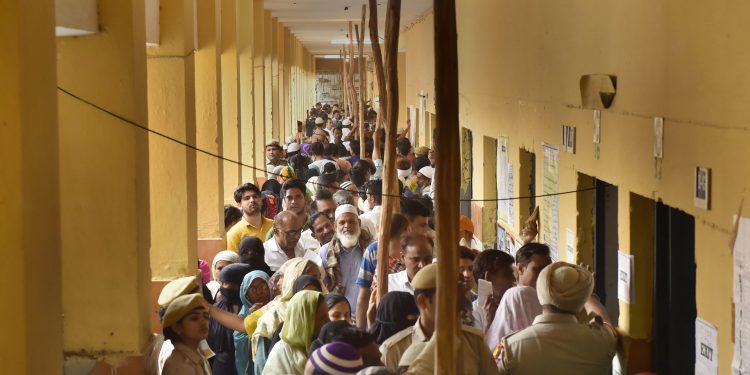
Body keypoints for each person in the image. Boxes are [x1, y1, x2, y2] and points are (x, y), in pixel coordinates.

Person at [496, 262, 619, 374]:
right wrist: (589, 296)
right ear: (582, 300)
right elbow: (605, 322)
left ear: (540, 292)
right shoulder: (602, 340)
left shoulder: (512, 347)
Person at [401, 265, 500, 375]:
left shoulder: (474, 343)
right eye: (448, 296)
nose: (456, 301)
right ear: (423, 301)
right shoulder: (397, 349)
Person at [252, 259, 322, 374]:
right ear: (295, 279)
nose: (318, 282)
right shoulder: (274, 315)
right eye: (313, 277)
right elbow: (263, 362)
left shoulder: (322, 309)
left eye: (319, 277)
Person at [485, 243, 551, 350]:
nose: (544, 275)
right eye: (538, 270)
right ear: (520, 268)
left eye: (548, 270)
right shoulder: (515, 295)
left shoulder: (550, 298)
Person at [354, 213, 410, 329]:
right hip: (389, 320)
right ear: (406, 229)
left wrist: (362, 332)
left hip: (381, 320)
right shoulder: (375, 251)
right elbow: (364, 296)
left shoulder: (410, 252)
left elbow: (364, 297)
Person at [378, 264, 437, 372]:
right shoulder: (393, 351)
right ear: (423, 302)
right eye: (446, 298)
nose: (454, 304)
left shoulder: (473, 343)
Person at [319, 204, 373, 320]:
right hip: (338, 317)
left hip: (367, 314)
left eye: (351, 222)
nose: (347, 226)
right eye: (342, 223)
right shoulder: (325, 253)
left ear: (359, 223)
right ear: (335, 226)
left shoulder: (370, 249)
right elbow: (323, 288)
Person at [157, 276, 216, 375]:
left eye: (205, 316)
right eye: (194, 317)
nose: (203, 321)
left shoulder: (193, 344)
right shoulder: (176, 360)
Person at [264, 291, 329, 374]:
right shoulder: (281, 354)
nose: (329, 321)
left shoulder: (325, 347)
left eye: (328, 315)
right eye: (322, 318)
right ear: (305, 321)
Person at [208, 264, 252, 375]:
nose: (226, 287)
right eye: (223, 283)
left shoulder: (253, 310)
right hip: (221, 366)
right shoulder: (217, 309)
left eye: (231, 283)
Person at [233, 271, 271, 375]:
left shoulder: (279, 309)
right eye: (253, 289)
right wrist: (252, 320)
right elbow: (241, 346)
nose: (259, 292)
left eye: (263, 286)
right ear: (246, 294)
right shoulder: (242, 317)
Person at [471, 250, 516, 332]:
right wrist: (489, 324)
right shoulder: (473, 314)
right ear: (489, 278)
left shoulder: (512, 304)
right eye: (507, 274)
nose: (513, 279)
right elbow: (479, 344)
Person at [227, 183, 274, 252]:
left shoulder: (274, 225)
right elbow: (235, 260)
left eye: (255, 197)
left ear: (261, 200)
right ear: (239, 204)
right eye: (247, 198)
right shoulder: (235, 233)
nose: (252, 200)